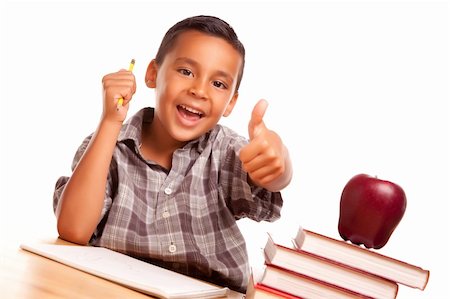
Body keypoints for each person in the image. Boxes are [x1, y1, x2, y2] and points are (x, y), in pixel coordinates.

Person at [53, 15, 293, 293]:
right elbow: (72, 230)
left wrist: (280, 163)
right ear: (152, 74)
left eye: (218, 84)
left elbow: (269, 179)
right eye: (186, 72)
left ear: (231, 103)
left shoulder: (226, 151)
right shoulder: (108, 148)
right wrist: (109, 122)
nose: (199, 90)